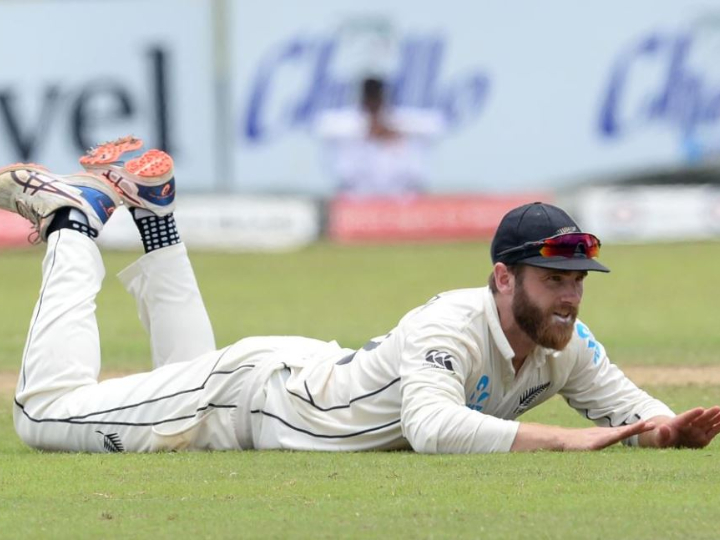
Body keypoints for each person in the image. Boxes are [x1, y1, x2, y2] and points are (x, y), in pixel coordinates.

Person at [2, 136, 719, 454]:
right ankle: (71, 222)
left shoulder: (566, 343)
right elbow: (434, 430)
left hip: (280, 386)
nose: (569, 298)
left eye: (576, 283)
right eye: (552, 280)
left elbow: (628, 411)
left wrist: (665, 427)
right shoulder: (451, 325)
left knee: (172, 380)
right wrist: (571, 441)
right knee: (42, 414)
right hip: (253, 394)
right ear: (504, 277)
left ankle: (155, 216)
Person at [316, 77, 445, 198]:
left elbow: (437, 125)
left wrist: (391, 129)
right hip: (356, 196)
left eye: (376, 99)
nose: (373, 103)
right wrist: (366, 129)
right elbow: (321, 126)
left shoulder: (396, 118)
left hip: (401, 196)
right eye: (370, 99)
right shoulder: (351, 120)